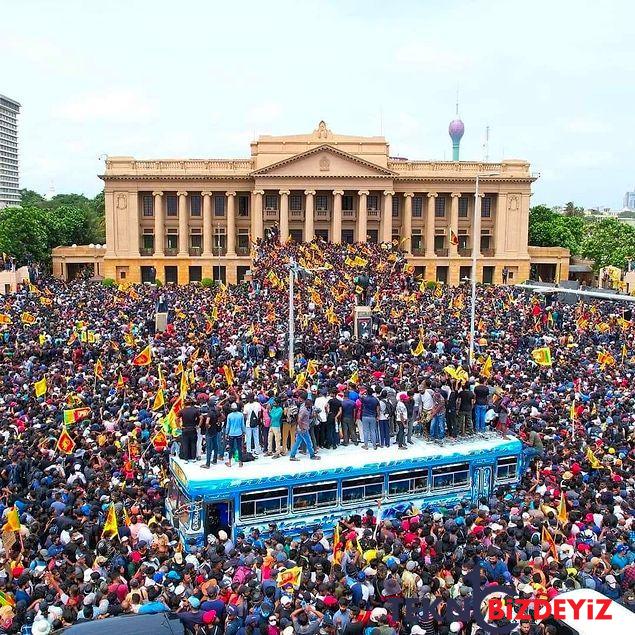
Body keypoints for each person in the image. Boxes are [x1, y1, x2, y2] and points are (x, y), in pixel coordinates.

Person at [200, 398, 224, 468]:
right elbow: (223, 417)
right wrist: (219, 422)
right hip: (215, 430)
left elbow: (207, 422)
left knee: (209, 447)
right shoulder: (217, 412)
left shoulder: (209, 413)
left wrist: (208, 426)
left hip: (209, 431)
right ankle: (214, 460)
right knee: (215, 445)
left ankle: (207, 464)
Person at [179, 398, 200, 462]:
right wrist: (198, 426)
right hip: (193, 429)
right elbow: (201, 417)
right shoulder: (195, 410)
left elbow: (176, 419)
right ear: (191, 403)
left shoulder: (182, 411)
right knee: (193, 444)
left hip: (185, 429)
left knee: (185, 444)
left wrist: (179, 426)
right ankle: (193, 458)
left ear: (185, 404)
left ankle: (186, 459)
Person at [225, 402, 245, 467]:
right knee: (239, 448)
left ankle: (230, 462)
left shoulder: (229, 415)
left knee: (231, 448)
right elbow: (242, 425)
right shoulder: (241, 415)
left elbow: (228, 426)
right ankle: (240, 462)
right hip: (239, 433)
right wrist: (244, 432)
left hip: (231, 433)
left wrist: (226, 433)